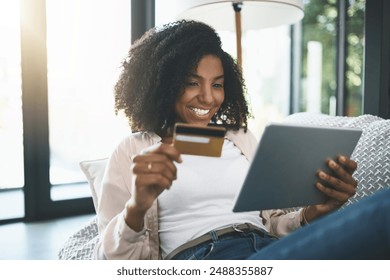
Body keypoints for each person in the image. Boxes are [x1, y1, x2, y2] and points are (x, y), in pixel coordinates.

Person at [94, 20, 389, 260]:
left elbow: (272, 223)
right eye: (191, 83)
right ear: (164, 84)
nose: (208, 97)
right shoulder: (134, 149)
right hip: (207, 257)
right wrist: (136, 206)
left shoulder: (240, 138)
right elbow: (106, 259)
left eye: (218, 85)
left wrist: (317, 212)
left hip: (268, 249)